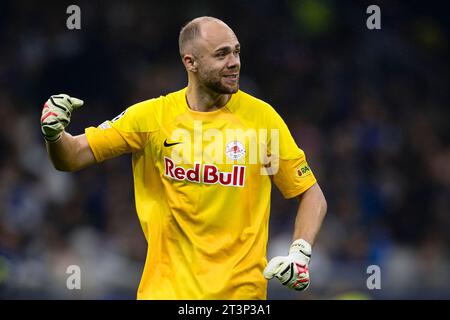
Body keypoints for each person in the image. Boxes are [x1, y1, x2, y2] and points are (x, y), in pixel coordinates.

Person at [40, 16, 327, 300]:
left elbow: (309, 194)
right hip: (165, 294)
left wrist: (300, 253)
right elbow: (72, 157)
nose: (234, 62)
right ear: (191, 62)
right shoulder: (153, 118)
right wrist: (55, 134)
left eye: (236, 51)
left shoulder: (261, 121)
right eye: (221, 54)